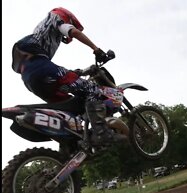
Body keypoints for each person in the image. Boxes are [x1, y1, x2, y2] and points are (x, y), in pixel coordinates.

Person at [11, 7, 119, 146]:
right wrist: (96, 49)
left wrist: (76, 73)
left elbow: (57, 73)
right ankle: (101, 133)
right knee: (93, 90)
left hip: (30, 80)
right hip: (41, 68)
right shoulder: (56, 19)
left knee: (67, 108)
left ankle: (70, 145)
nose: (65, 39)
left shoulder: (40, 32)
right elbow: (72, 31)